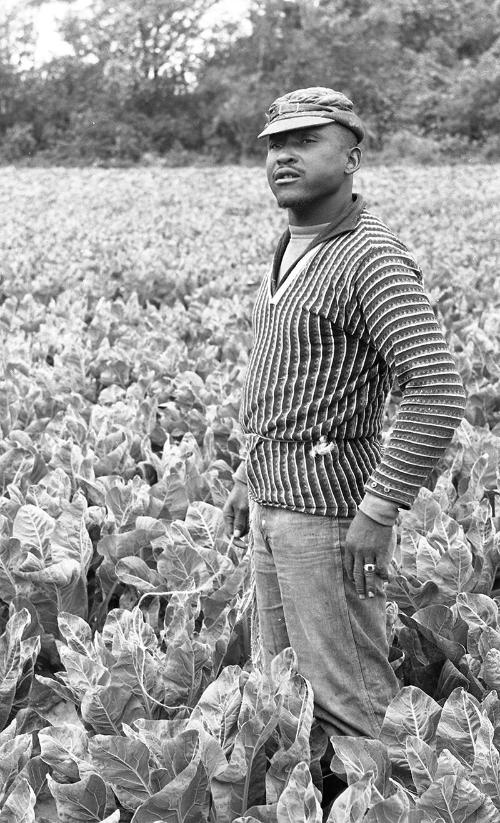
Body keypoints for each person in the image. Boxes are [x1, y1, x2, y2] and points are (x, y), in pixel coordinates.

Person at [222, 87, 466, 740]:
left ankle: (401, 792)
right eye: (276, 144)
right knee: (282, 691)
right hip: (274, 497)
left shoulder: (370, 255)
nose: (284, 156)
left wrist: (380, 509)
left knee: (351, 700)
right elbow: (289, 378)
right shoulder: (292, 244)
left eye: (306, 142)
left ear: (352, 157)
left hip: (329, 512)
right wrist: (249, 473)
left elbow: (436, 386)